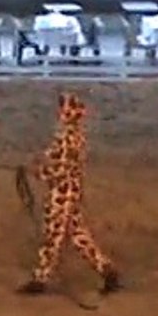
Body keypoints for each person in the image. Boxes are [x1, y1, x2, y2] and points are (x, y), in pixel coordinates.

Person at [17, 92, 122, 296]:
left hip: (62, 193)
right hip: (72, 191)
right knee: (77, 235)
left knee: (53, 235)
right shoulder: (76, 136)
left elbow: (58, 170)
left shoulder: (66, 138)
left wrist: (37, 172)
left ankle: (41, 278)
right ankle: (106, 270)